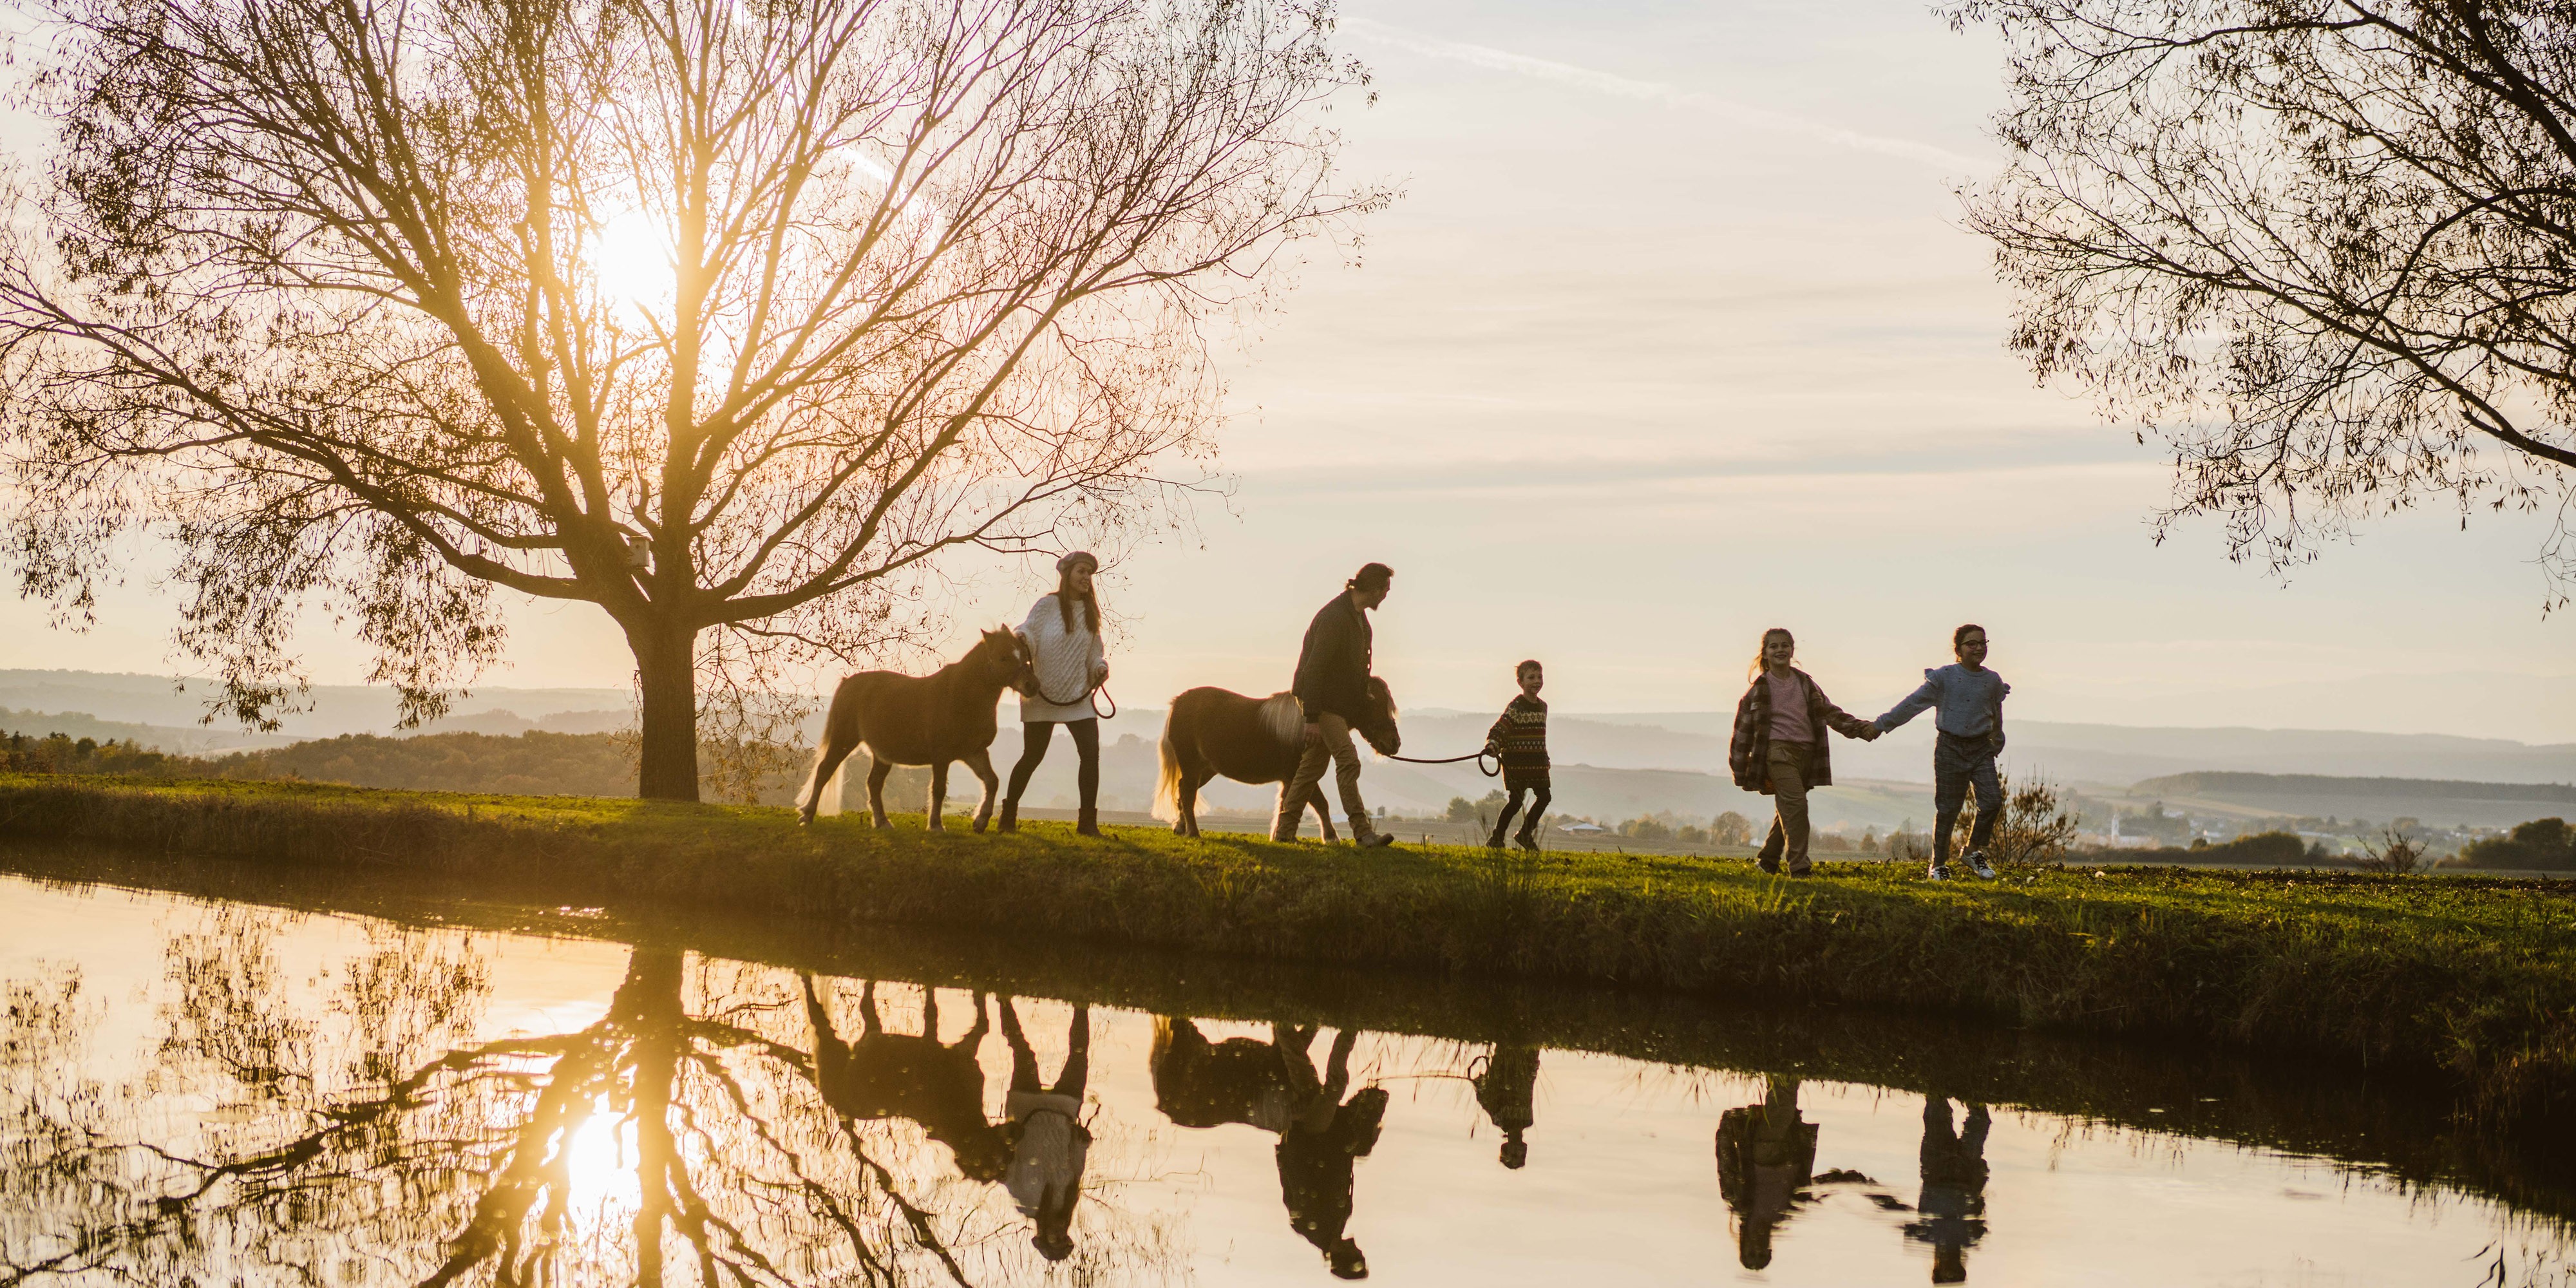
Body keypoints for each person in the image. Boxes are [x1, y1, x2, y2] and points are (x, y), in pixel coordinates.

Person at [1726, 628, 1879, 877]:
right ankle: (1799, 868)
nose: (1780, 650)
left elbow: (1830, 712)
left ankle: (1767, 862)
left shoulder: (1805, 682)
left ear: (1792, 651)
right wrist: (1739, 769)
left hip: (1808, 754)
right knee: (1796, 806)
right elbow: (1741, 733)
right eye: (1774, 646)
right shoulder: (1758, 690)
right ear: (1764, 653)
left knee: (1788, 808)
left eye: (1785, 645)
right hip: (1777, 754)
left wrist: (1861, 729)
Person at [1872, 624, 2011, 881]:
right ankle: (1937, 865)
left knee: (1992, 801)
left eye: (1983, 643)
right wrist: (1881, 725)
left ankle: (1971, 851)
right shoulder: (1944, 678)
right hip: (1950, 747)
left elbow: (1996, 713)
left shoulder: (1992, 680)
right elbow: (1912, 705)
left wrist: (1997, 740)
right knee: (1948, 809)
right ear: (1958, 650)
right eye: (1972, 643)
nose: (1979, 648)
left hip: (1981, 748)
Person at [1276, 563, 1395, 847]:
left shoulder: (1358, 618)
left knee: (1309, 771)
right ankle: (1363, 833)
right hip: (1323, 704)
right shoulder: (1335, 618)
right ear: (1375, 589)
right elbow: (1314, 670)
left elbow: (1353, 668)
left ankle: (1284, 832)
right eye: (1386, 591)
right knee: (1348, 761)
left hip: (1336, 704)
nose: (1386, 597)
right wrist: (1312, 718)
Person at [1001, 551, 1110, 836]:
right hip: (1042, 695)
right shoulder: (1047, 606)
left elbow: (1094, 654)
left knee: (1091, 756)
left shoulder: (1090, 613)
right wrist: (1022, 637)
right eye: (1081, 572)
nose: (1087, 578)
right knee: (1032, 757)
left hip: (1079, 697)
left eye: (1089, 573)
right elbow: (1028, 631)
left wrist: (1100, 668)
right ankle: (1007, 816)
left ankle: (1087, 824)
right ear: (1067, 575)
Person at [1000, 998, 1093, 1263]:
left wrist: (1008, 1139)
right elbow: (1077, 1157)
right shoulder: (1069, 1196)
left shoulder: (1024, 1199)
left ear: (1041, 1234)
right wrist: (1083, 1139)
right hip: (1063, 1112)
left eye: (1053, 1239)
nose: (1059, 1233)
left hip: (1028, 1111)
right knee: (1079, 1054)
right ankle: (1082, 1002)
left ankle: (1003, 997)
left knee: (1022, 1052)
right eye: (1064, 1237)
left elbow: (1004, 1163)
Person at [1714, 1076, 1820, 1271]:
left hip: (1763, 1152)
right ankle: (1780, 1068)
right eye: (1762, 1253)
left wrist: (1726, 1127)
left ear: (1743, 1245)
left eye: (1751, 1252)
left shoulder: (1739, 1203)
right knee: (1783, 1109)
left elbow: (1725, 1163)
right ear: (1770, 1249)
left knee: (1783, 1109)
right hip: (1791, 1152)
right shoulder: (1783, 1216)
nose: (1758, 1248)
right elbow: (1804, 1183)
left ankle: (1786, 1069)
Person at [1904, 1095, 1991, 1283]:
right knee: (1980, 1119)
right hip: (1965, 1171)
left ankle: (1946, 1079)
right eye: (1956, 1272)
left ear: (1937, 1269)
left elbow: (1900, 1217)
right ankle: (1968, 1084)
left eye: (1947, 1272)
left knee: (1937, 1106)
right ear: (1962, 1268)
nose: (1951, 1269)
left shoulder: (1927, 1235)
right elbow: (1979, 1203)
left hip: (1936, 1169)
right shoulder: (1971, 1237)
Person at [1482, 661, 1550, 851]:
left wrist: (1546, 759)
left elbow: (1540, 736)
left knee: (1544, 797)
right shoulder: (1516, 706)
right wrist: (1493, 744)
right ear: (1520, 683)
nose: (1537, 681)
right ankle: (1497, 839)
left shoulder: (1543, 707)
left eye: (1540, 677)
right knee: (1516, 802)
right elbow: (1500, 728)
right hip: (1517, 763)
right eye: (1531, 678)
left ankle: (1525, 834)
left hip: (1537, 763)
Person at [1470, 1043, 1539, 1168]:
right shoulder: (1528, 1121)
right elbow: (1529, 1086)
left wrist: (1480, 1083)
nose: (1520, 1152)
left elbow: (1483, 1094)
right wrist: (1534, 1062)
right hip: (1527, 1060)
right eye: (1522, 1156)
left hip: (1506, 1059)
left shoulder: (1499, 1118)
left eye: (1515, 1154)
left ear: (1506, 1148)